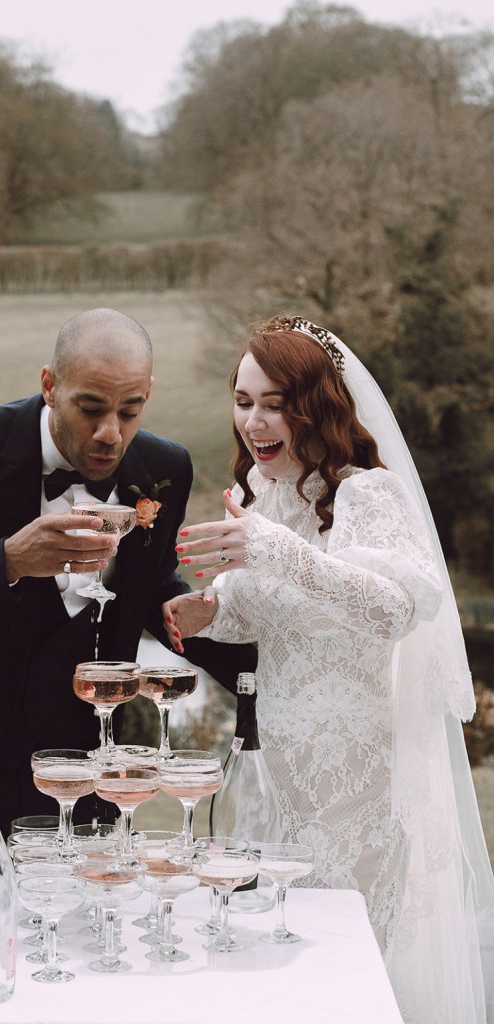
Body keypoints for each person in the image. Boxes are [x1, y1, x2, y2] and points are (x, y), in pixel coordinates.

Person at [0, 306, 256, 884]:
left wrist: (257, 663)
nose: (110, 432)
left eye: (130, 410)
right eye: (90, 408)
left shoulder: (164, 467)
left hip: (77, 790)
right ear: (49, 386)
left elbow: (150, 584)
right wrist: (8, 560)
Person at [163, 315, 494, 1023]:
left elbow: (389, 611)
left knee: (347, 970)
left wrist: (272, 549)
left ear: (317, 406)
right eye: (243, 399)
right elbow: (270, 610)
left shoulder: (369, 495)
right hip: (277, 776)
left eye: (275, 402)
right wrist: (211, 611)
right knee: (278, 963)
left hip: (358, 783)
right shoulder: (265, 490)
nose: (254, 420)